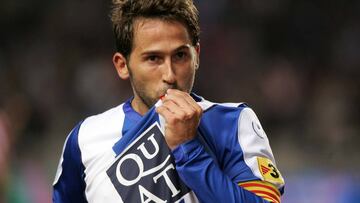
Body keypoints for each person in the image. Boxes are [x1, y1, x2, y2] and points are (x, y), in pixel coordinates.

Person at [52, 0, 285, 202]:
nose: (170, 75)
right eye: (153, 58)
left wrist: (188, 148)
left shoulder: (233, 124)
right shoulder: (84, 140)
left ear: (197, 56)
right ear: (122, 65)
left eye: (180, 56)